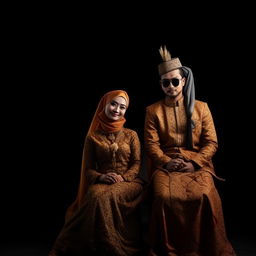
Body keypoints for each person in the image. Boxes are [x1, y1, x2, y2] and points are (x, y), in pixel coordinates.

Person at [144, 46, 236, 256]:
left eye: (175, 81)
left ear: (183, 81)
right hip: (166, 165)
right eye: (165, 82)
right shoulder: (153, 111)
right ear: (160, 84)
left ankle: (205, 247)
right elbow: (151, 145)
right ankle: (167, 249)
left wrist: (194, 162)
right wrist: (166, 162)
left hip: (197, 163)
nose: (171, 86)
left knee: (204, 195)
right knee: (162, 197)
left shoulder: (201, 108)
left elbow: (211, 142)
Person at [49, 90, 146, 256]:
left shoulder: (131, 135)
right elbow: (87, 169)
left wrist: (123, 177)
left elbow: (137, 163)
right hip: (102, 181)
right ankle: (76, 245)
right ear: (104, 105)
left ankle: (112, 247)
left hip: (130, 182)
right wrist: (101, 176)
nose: (117, 109)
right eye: (113, 104)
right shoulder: (92, 137)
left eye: (122, 107)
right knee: (95, 196)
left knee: (104, 197)